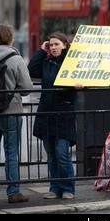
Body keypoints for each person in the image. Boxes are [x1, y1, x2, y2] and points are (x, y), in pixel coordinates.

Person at [0, 24, 33, 204]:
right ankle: (13, 192)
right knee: (11, 152)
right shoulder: (15, 58)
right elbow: (27, 88)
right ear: (10, 38)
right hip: (11, 112)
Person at [28, 32, 77, 200]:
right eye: (51, 45)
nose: (54, 48)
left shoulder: (71, 62)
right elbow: (31, 70)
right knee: (51, 154)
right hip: (46, 113)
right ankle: (54, 188)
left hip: (63, 113)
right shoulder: (47, 61)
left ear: (64, 45)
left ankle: (68, 188)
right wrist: (41, 51)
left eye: (57, 44)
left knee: (61, 153)